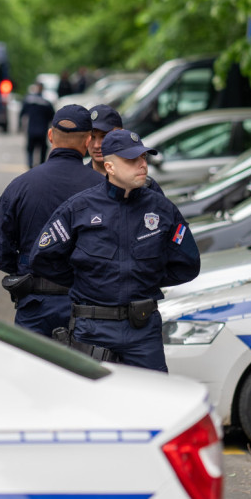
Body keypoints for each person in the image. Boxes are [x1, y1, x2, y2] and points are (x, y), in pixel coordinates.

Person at [30, 129, 200, 371]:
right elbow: (42, 258)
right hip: (92, 329)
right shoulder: (80, 208)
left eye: (143, 158)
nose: (142, 165)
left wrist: (144, 276)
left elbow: (188, 263)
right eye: (132, 160)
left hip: (143, 331)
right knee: (91, 403)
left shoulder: (161, 209)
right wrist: (88, 279)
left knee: (153, 401)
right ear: (109, 167)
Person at [0, 104, 103, 336]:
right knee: (83, 371)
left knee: (32, 370)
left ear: (50, 136)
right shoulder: (104, 189)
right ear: (88, 141)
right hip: (89, 307)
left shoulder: (20, 186)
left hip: (36, 306)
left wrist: (27, 267)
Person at [19, 81, 55, 167]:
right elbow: (52, 117)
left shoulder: (29, 101)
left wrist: (20, 125)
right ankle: (41, 167)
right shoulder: (46, 103)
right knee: (43, 149)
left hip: (31, 130)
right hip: (42, 130)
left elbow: (22, 113)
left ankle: (30, 166)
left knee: (30, 149)